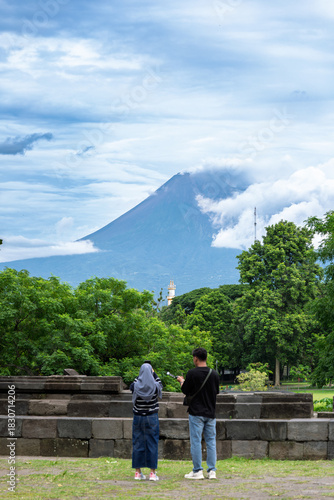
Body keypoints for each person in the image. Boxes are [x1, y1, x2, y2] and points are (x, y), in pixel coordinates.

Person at [177, 347, 220, 480]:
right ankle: (212, 471)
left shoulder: (192, 373)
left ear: (196, 358)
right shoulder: (214, 374)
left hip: (196, 412)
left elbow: (186, 390)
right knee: (211, 442)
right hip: (210, 412)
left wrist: (181, 381)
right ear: (206, 358)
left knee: (196, 441)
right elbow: (216, 392)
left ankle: (197, 471)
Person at [129, 361, 163, 481]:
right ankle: (152, 473)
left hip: (138, 417)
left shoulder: (135, 386)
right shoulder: (155, 386)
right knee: (152, 443)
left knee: (137, 443)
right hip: (152, 417)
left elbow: (133, 383)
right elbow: (160, 383)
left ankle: (138, 472)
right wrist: (153, 373)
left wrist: (141, 374)